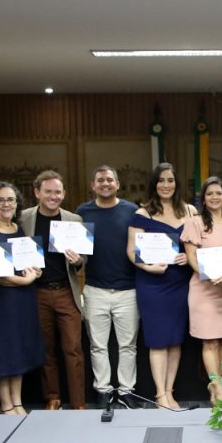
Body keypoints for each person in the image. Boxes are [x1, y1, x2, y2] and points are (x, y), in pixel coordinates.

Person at [127, 163, 195, 408]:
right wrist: (147, 267)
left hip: (181, 282)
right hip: (152, 284)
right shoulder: (143, 213)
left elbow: (199, 245)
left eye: (170, 180)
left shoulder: (190, 211)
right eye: (161, 180)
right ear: (154, 184)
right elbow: (131, 250)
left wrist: (190, 258)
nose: (166, 185)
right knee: (158, 339)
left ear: (176, 183)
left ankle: (170, 391)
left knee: (175, 339)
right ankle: (159, 395)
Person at [20, 170, 86, 410]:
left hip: (66, 291)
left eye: (58, 192)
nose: (53, 196)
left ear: (64, 193)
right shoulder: (23, 218)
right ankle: (53, 398)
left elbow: (83, 261)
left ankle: (78, 402)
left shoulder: (74, 220)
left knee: (73, 349)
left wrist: (78, 261)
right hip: (36, 292)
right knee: (46, 349)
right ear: (37, 192)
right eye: (48, 191)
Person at [0, 182, 44, 415]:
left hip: (22, 301)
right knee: (3, 350)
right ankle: (6, 404)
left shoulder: (18, 229)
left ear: (17, 204)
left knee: (18, 349)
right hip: (0, 300)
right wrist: (25, 281)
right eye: (0, 200)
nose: (6, 204)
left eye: (10, 200)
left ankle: (17, 401)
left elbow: (27, 262)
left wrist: (36, 270)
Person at [76, 166, 139, 409]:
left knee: (128, 346)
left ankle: (126, 390)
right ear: (93, 185)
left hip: (127, 290)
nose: (105, 184)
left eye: (109, 180)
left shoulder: (131, 211)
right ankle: (103, 390)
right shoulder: (82, 212)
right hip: (94, 289)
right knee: (97, 345)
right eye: (100, 180)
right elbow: (79, 251)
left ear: (118, 184)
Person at [181, 177, 222, 403]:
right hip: (204, 290)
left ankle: (220, 384)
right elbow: (191, 257)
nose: (214, 197)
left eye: (218, 193)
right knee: (210, 342)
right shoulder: (194, 222)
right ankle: (215, 388)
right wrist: (208, 273)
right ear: (203, 199)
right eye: (209, 194)